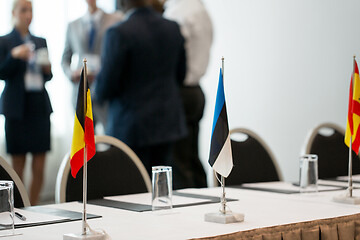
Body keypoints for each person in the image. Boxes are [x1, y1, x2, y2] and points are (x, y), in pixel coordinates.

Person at [95, 0, 187, 176]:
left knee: (132, 190)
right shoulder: (172, 27)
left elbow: (105, 86)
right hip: (167, 122)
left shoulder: (118, 33)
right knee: (163, 188)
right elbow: (181, 75)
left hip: (131, 126)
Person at [0, 0, 53, 205]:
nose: (28, 14)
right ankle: (20, 206)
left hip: (39, 105)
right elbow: (2, 73)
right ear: (14, 13)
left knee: (40, 164)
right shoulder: (5, 41)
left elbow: (48, 76)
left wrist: (48, 69)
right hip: (16, 109)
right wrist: (14, 56)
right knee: (18, 164)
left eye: (30, 10)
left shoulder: (40, 41)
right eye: (23, 10)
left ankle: (34, 206)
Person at [163, 0, 213, 189]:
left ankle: (186, 212)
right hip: (196, 92)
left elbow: (171, 52)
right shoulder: (201, 10)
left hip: (180, 92)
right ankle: (204, 203)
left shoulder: (178, 12)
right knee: (192, 157)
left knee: (178, 162)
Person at [61, 0, 122, 132]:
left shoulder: (115, 19)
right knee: (84, 141)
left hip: (106, 91)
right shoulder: (73, 25)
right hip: (82, 89)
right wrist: (72, 74)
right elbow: (65, 59)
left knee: (111, 138)